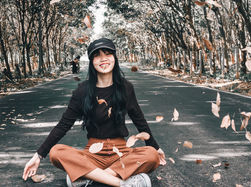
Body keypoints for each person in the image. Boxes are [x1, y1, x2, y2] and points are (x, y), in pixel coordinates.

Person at [23, 38, 166, 187]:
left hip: (121, 153)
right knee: (56, 152)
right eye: (97, 55)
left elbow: (139, 120)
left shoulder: (125, 88)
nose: (103, 59)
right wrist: (38, 155)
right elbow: (63, 125)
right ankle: (122, 183)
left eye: (108, 54)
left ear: (114, 58)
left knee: (151, 155)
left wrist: (156, 147)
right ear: (92, 61)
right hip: (92, 154)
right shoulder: (82, 91)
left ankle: (87, 176)